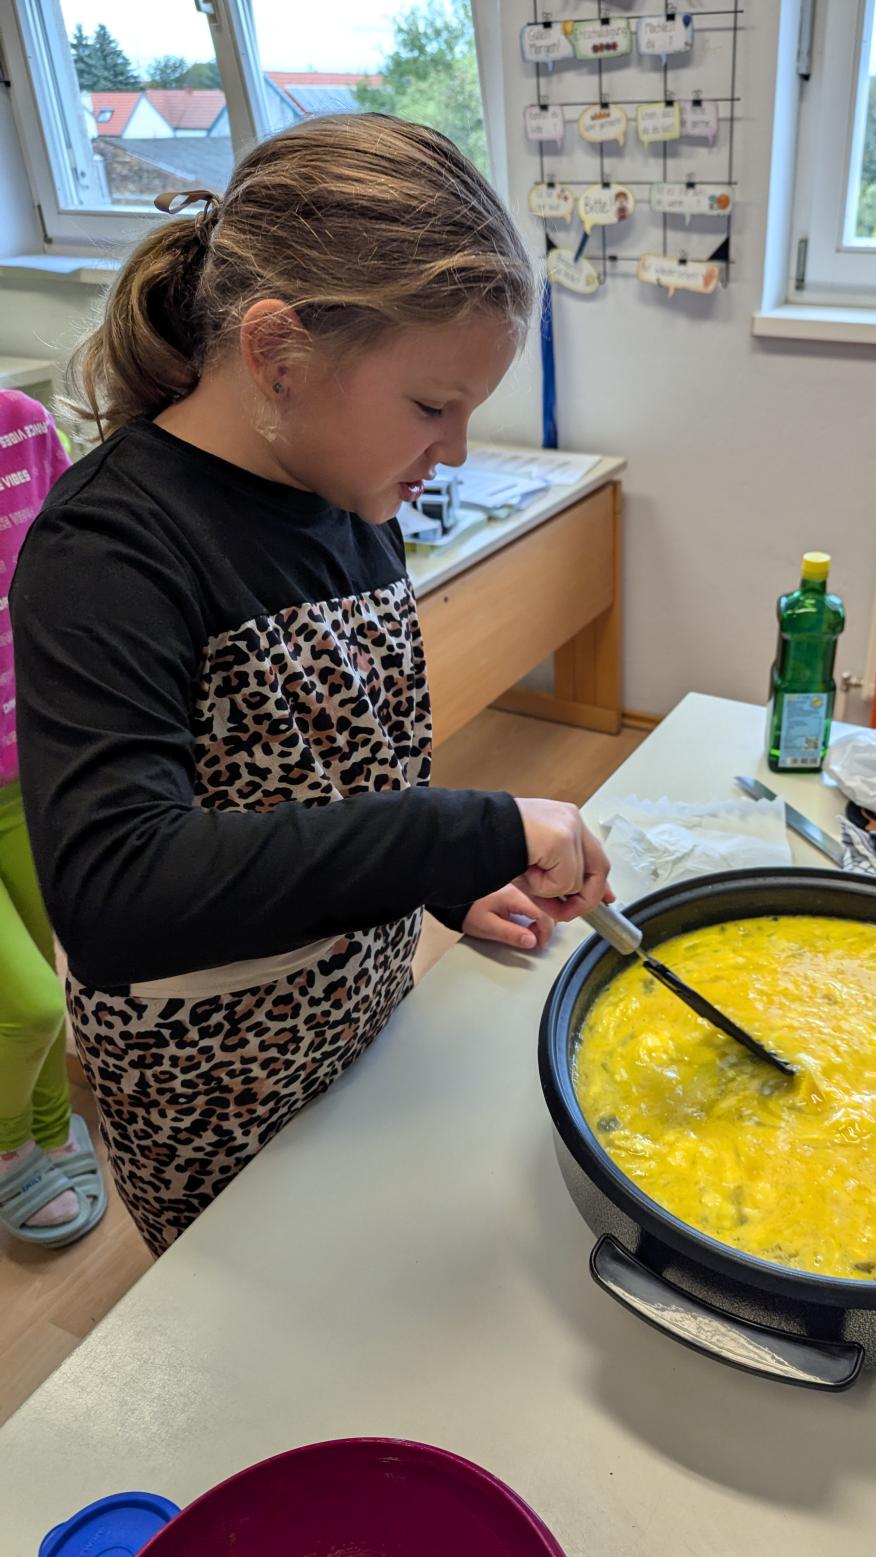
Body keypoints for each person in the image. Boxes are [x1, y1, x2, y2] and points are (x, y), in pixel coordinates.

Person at [11, 115, 611, 1256]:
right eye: (432, 407)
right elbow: (117, 890)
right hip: (213, 1090)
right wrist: (456, 834)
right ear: (278, 350)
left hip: (366, 1022)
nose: (456, 449)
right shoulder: (109, 549)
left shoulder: (350, 498)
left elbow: (345, 773)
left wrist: (446, 882)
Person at [0, 389, 107, 1248]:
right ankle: (7, 1146)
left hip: (26, 770)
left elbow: (77, 568)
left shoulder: (23, 424)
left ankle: (42, 1126)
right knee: (31, 1006)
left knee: (46, 970)